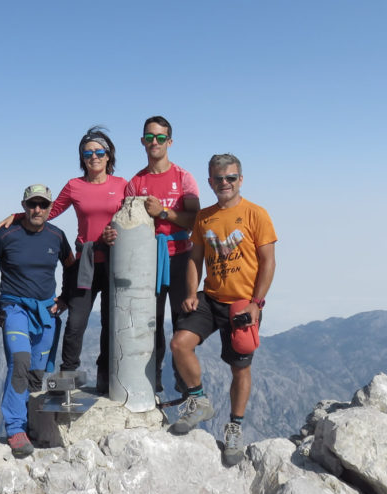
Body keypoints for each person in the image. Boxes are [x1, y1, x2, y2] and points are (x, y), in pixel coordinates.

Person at [0, 127, 127, 392]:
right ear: (82, 158)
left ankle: (105, 379)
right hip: (84, 261)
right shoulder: (75, 186)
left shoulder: (123, 185)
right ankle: (67, 379)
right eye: (88, 153)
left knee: (111, 324)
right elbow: (46, 211)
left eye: (99, 152)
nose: (94, 157)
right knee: (76, 322)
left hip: (116, 261)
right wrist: (18, 216)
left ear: (109, 156)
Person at [169, 154, 277, 466]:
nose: (225, 183)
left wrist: (257, 303)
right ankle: (198, 400)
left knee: (240, 366)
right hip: (212, 297)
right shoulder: (204, 217)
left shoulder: (256, 214)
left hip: (243, 302)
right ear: (210, 181)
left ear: (240, 179)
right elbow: (195, 257)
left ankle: (235, 427)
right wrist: (191, 292)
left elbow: (268, 261)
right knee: (179, 343)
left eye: (230, 178)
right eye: (218, 179)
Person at [0, 184, 75, 457]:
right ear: (23, 205)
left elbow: (72, 268)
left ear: (51, 208)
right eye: (32, 204)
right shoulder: (7, 233)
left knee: (37, 374)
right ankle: (15, 428)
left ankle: (30, 427)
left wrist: (64, 298)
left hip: (46, 312)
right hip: (14, 308)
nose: (37, 209)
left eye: (42, 205)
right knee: (20, 363)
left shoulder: (57, 236)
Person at [103, 115, 200, 394]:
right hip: (146, 262)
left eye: (160, 137)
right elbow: (124, 220)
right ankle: (151, 384)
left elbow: (195, 219)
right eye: (149, 137)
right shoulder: (136, 183)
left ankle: (185, 388)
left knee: (183, 325)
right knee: (150, 323)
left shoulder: (183, 178)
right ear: (143, 142)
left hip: (181, 257)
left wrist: (164, 213)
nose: (154, 142)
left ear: (169, 141)